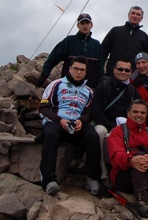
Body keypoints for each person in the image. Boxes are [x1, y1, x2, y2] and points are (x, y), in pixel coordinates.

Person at [38, 56, 102, 196]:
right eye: (76, 69)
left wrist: (82, 121)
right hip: (57, 122)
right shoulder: (56, 84)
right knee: (50, 134)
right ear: (69, 68)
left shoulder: (89, 91)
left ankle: (92, 178)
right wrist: (59, 119)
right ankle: (48, 180)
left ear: (86, 72)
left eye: (82, 70)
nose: (78, 72)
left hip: (77, 124)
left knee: (93, 136)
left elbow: (89, 113)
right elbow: (43, 108)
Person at [91, 59, 136, 190]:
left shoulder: (132, 91)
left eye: (127, 70)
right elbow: (96, 110)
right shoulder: (104, 86)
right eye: (120, 69)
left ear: (131, 72)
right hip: (105, 124)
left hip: (125, 126)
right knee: (99, 133)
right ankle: (103, 175)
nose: (123, 72)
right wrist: (111, 125)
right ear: (114, 70)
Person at [38, 13, 103, 88]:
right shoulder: (69, 41)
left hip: (90, 87)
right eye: (82, 23)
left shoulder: (96, 44)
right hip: (68, 86)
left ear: (91, 25)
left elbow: (100, 66)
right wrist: (44, 75)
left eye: (87, 23)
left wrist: (101, 84)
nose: (85, 26)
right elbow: (53, 58)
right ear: (78, 26)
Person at [101, 6, 148, 76]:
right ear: (128, 15)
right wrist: (100, 72)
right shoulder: (115, 31)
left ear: (141, 18)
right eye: (133, 13)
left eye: (138, 14)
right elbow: (103, 52)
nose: (135, 16)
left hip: (134, 78)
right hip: (112, 75)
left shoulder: (143, 36)